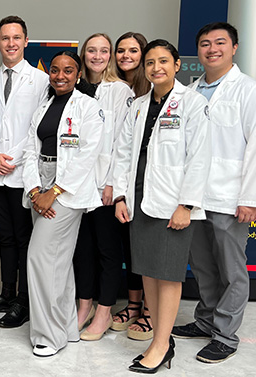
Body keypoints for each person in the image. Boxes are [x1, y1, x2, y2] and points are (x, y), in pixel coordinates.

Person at [172, 22, 256, 364]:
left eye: (220, 43)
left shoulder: (251, 92)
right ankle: (205, 320)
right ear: (197, 50)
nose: (212, 49)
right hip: (194, 198)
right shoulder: (188, 90)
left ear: (234, 48)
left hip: (231, 197)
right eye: (204, 43)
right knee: (202, 266)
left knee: (232, 269)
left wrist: (251, 198)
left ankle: (225, 335)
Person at [112, 39, 211, 373]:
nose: (156, 68)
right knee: (148, 273)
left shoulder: (193, 104)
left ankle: (161, 345)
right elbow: (123, 153)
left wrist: (186, 205)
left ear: (177, 65)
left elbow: (200, 158)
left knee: (167, 276)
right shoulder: (139, 105)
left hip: (172, 206)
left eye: (163, 61)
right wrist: (122, 197)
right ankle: (161, 340)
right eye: (150, 62)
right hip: (140, 201)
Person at [23, 51, 103, 357]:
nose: (60, 75)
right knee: (57, 262)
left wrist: (52, 191)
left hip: (67, 191)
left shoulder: (88, 107)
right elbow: (31, 150)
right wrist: (34, 190)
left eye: (68, 70)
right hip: (39, 184)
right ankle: (66, 327)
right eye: (55, 70)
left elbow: (87, 155)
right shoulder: (44, 106)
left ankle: (47, 336)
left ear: (78, 73)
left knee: (40, 258)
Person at [0, 15, 49, 328]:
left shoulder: (41, 80)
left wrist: (16, 158)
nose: (10, 43)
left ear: (25, 41)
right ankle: (6, 293)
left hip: (23, 173)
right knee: (3, 237)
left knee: (23, 238)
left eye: (16, 38)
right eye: (5, 38)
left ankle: (23, 301)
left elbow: (39, 126)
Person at [72, 33, 134, 340]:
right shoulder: (74, 88)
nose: (97, 56)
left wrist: (113, 183)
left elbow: (123, 142)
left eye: (104, 51)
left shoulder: (120, 91)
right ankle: (84, 306)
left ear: (110, 56)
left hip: (105, 187)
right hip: (75, 186)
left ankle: (105, 312)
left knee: (108, 251)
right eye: (92, 50)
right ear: (84, 54)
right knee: (82, 251)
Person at [112, 31, 152, 340]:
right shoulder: (115, 88)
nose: (126, 56)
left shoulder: (152, 88)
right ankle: (134, 304)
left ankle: (149, 309)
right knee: (129, 244)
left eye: (133, 51)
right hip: (124, 177)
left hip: (149, 179)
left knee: (147, 245)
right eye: (121, 50)